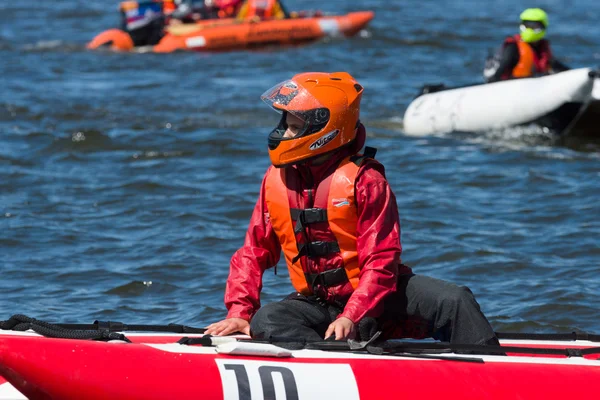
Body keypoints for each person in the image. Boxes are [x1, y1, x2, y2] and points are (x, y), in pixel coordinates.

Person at [205, 72, 500, 348]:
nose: (283, 133)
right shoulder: (275, 180)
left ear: (325, 130)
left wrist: (353, 314)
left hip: (380, 299)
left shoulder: (366, 181)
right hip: (321, 305)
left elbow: (381, 259)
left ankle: (497, 373)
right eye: (284, 124)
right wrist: (240, 312)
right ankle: (338, 358)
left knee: (455, 300)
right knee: (267, 319)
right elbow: (253, 251)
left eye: (293, 126)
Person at [485, 8, 570, 83]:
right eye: (527, 26)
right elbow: (499, 73)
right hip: (513, 87)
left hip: (535, 87)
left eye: (535, 26)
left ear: (543, 27)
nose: (530, 30)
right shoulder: (513, 47)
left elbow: (556, 66)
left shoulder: (543, 49)